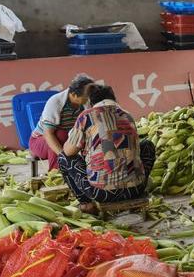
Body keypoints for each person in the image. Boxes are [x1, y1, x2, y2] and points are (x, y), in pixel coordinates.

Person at [58, 84, 155, 213]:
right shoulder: (127, 115)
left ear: (91, 102)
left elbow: (69, 151)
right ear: (114, 99)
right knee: (147, 145)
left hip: (101, 193)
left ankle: (86, 204)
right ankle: (134, 186)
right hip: (136, 189)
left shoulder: (86, 117)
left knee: (63, 157)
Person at [29, 74, 94, 170]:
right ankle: (56, 172)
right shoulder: (55, 102)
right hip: (40, 141)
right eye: (86, 96)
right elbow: (48, 134)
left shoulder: (85, 103)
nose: (88, 98)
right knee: (61, 134)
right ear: (74, 95)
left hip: (66, 140)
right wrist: (63, 156)